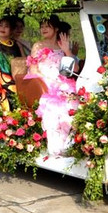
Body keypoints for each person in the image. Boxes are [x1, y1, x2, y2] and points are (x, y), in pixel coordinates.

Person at [26, 14, 79, 156]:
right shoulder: (38, 45)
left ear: (55, 28)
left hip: (63, 83)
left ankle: (69, 143)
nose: (43, 29)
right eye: (42, 26)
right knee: (54, 110)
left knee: (72, 106)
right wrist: (48, 80)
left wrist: (67, 50)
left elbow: (75, 69)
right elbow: (33, 68)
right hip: (45, 82)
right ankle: (56, 148)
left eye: (47, 26)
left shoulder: (61, 45)